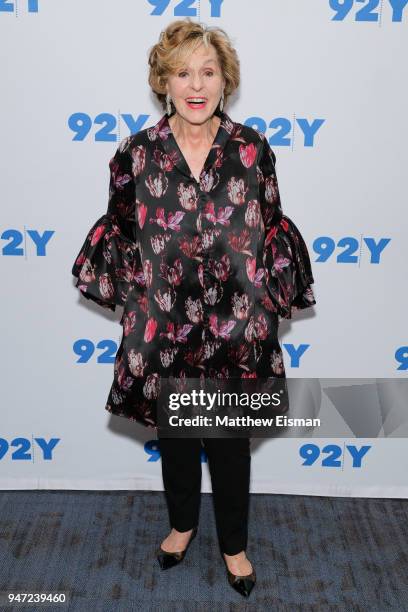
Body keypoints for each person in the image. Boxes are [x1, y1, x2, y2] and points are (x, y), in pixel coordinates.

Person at [71, 18, 316, 598]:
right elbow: (122, 234)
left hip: (236, 325)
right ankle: (181, 527)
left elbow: (273, 229)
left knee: (230, 447)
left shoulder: (252, 149)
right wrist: (137, 306)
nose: (196, 84)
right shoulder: (136, 153)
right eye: (183, 72)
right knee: (177, 440)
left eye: (208, 71)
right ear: (164, 82)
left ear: (225, 80)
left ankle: (235, 545)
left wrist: (266, 302)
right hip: (165, 327)